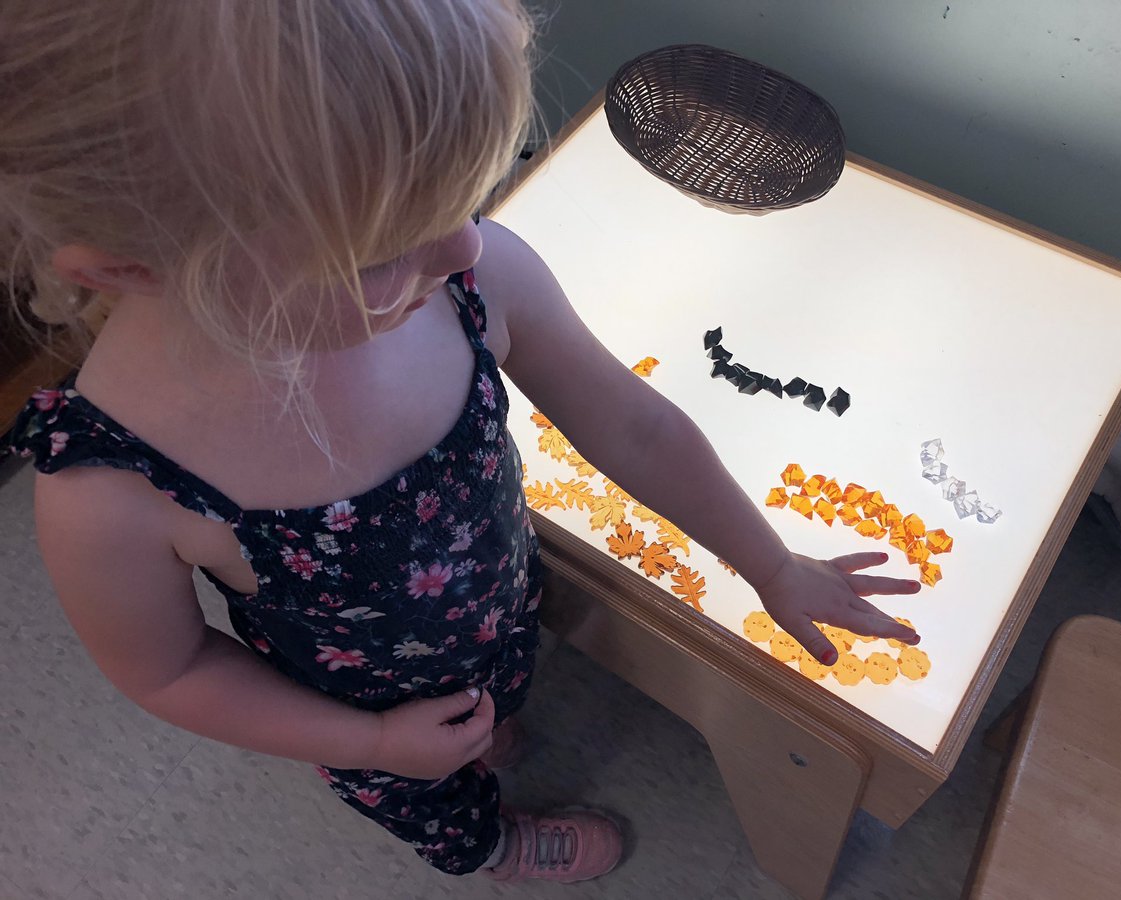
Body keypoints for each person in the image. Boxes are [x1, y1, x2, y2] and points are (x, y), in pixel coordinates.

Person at [0, 0, 921, 885]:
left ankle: (483, 729)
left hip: (501, 608)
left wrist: (773, 564)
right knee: (430, 795)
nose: (462, 251)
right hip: (354, 715)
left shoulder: (466, 278)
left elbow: (633, 422)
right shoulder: (109, 489)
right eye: (378, 250)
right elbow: (169, 672)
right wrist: (372, 745)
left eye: (469, 193)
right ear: (131, 271)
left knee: (489, 709)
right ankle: (490, 849)